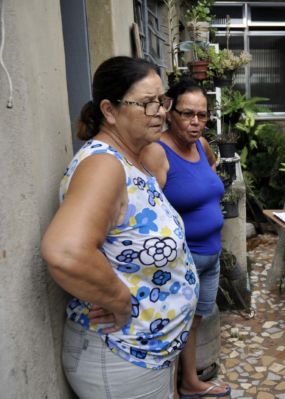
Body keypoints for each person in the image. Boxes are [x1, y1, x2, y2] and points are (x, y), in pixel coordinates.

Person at [41, 56, 199, 398]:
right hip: (122, 358)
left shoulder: (131, 159)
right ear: (109, 111)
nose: (159, 111)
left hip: (144, 355)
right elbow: (66, 251)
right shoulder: (103, 165)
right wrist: (118, 299)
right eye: (146, 103)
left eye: (162, 100)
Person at [141, 77, 230, 398]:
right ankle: (171, 391)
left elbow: (206, 181)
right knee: (172, 325)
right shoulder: (157, 153)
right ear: (168, 111)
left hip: (211, 256)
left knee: (193, 323)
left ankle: (189, 381)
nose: (195, 122)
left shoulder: (202, 146)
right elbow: (146, 214)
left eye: (202, 115)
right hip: (182, 259)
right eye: (187, 114)